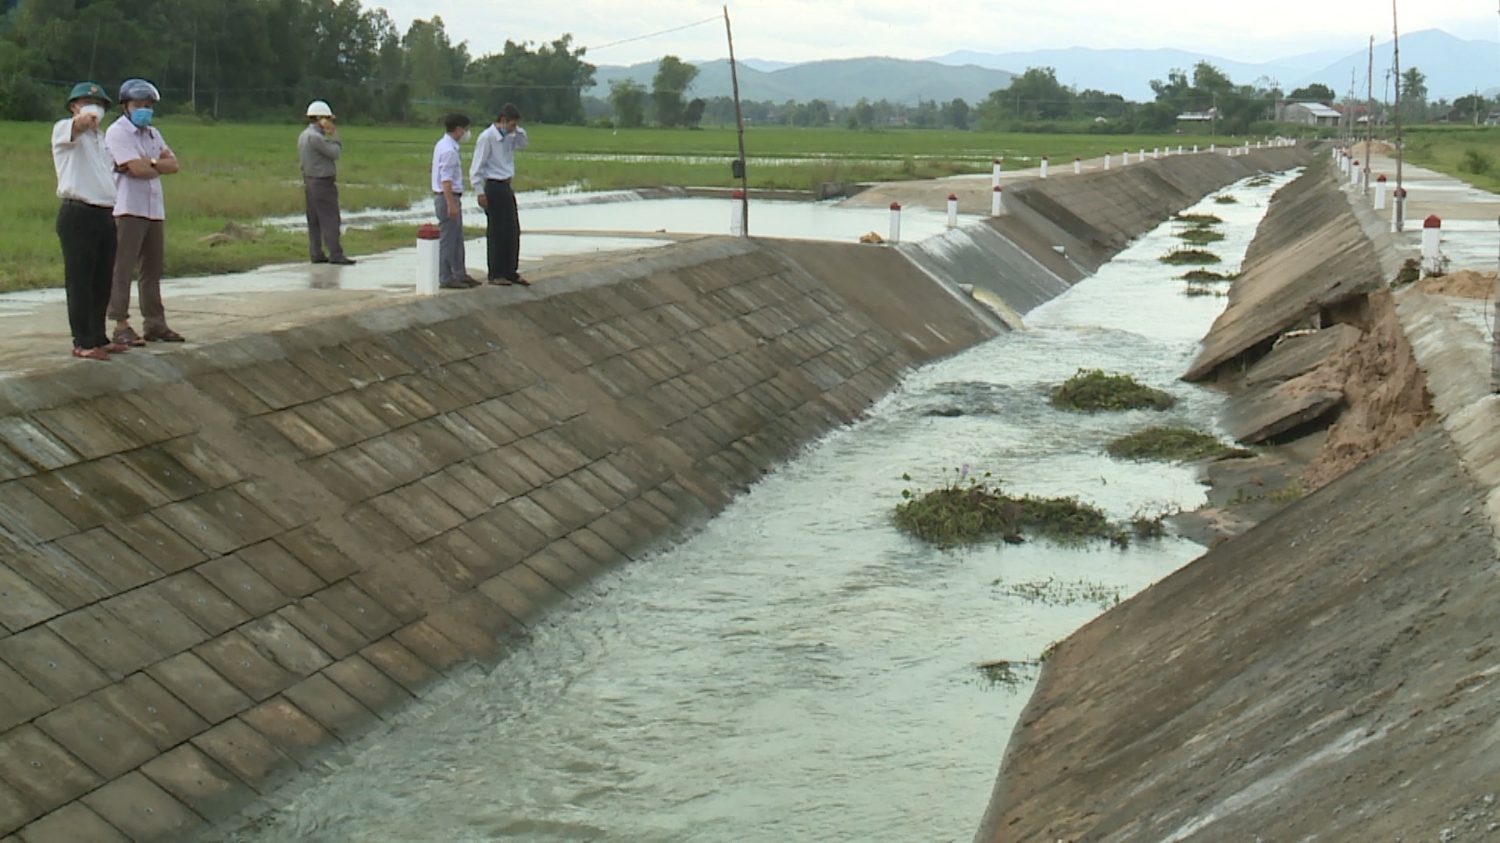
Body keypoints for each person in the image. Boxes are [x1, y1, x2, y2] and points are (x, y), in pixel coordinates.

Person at [52, 82, 129, 361]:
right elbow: (79, 125)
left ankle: (98, 335)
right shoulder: (65, 129)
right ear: (74, 106)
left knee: (101, 278)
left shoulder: (102, 139)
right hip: (78, 212)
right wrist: (83, 119)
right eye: (85, 102)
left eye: (98, 104)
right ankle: (82, 340)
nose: (94, 109)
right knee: (81, 279)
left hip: (104, 212)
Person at [105, 78, 184, 345]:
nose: (145, 110)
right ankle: (120, 323)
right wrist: (154, 166)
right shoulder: (118, 132)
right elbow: (136, 170)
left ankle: (155, 323)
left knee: (152, 269)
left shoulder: (153, 133)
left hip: (153, 209)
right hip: (128, 207)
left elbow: (173, 165)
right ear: (125, 106)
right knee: (122, 267)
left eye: (149, 105)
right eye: (139, 105)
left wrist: (149, 163)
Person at [470, 103, 530, 286]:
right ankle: (496, 273)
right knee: (497, 231)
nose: (513, 129)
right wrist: (480, 192)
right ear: (503, 121)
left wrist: (515, 129)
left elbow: (523, 142)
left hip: (505, 185)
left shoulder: (510, 137)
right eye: (511, 125)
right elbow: (476, 167)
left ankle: (510, 270)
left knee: (512, 230)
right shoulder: (487, 138)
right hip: (493, 186)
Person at [298, 100, 354, 265]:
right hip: (322, 182)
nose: (330, 123)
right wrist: (334, 135)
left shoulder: (303, 135)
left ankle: (316, 252)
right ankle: (335, 253)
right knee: (330, 218)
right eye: (328, 119)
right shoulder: (316, 138)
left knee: (314, 220)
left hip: (309, 181)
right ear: (321, 119)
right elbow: (334, 152)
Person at [431, 113, 477, 290]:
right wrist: (450, 204)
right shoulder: (449, 151)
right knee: (448, 239)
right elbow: (446, 180)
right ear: (458, 129)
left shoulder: (443, 145)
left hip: (449, 197)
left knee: (457, 238)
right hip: (447, 197)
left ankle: (459, 273)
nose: (467, 133)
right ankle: (446, 276)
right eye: (465, 129)